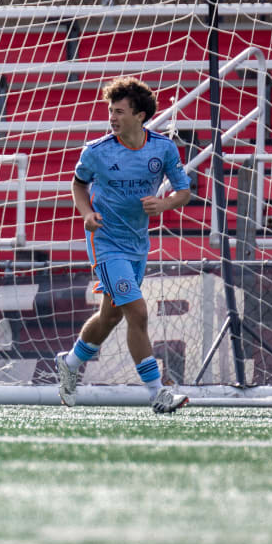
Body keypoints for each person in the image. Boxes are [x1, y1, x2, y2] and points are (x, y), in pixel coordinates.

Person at [55, 76, 193, 414]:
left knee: (111, 315)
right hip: (105, 242)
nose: (112, 118)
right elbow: (78, 184)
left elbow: (184, 192)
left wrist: (164, 204)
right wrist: (87, 213)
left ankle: (70, 363)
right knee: (138, 312)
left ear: (140, 115)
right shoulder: (97, 151)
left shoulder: (162, 148)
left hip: (137, 243)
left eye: (119, 112)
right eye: (110, 111)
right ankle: (157, 393)